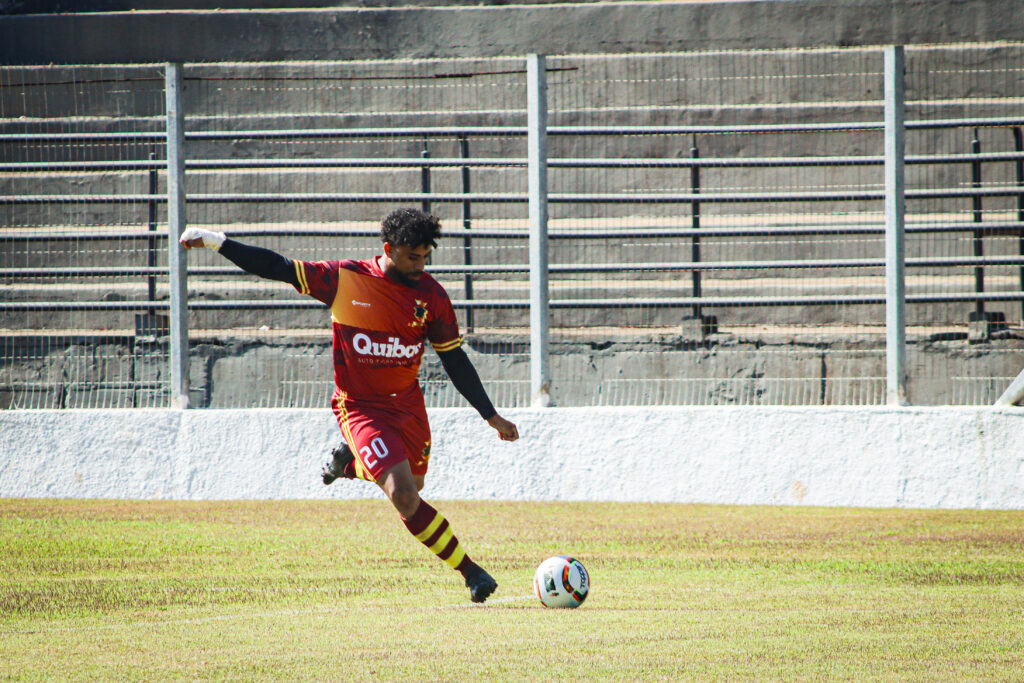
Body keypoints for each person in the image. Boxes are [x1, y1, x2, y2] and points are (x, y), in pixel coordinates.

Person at [180, 208, 519, 603]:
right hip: (360, 408)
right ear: (388, 248)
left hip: (407, 406)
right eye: (413, 257)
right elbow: (279, 267)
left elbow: (454, 359)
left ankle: (347, 465)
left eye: (426, 257)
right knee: (406, 497)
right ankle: (471, 571)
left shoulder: (432, 296)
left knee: (415, 486)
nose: (420, 265)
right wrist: (218, 242)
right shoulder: (346, 279)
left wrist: (490, 415)